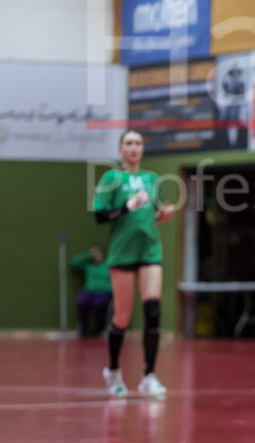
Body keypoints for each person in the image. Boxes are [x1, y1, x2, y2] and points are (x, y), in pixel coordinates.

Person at [92, 130, 174, 398]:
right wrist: (127, 206)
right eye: (129, 143)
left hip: (150, 252)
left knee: (153, 312)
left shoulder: (152, 179)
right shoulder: (112, 178)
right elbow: (101, 217)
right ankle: (113, 370)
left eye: (138, 143)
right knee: (123, 317)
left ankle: (149, 375)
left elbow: (150, 219)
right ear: (120, 149)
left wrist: (163, 215)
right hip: (123, 255)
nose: (134, 148)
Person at [71, 247, 112, 337]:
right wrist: (88, 254)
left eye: (98, 254)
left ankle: (99, 329)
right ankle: (84, 328)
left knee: (98, 304)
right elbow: (74, 262)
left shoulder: (107, 265)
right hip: (89, 291)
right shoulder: (89, 266)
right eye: (95, 255)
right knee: (82, 302)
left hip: (104, 291)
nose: (97, 256)